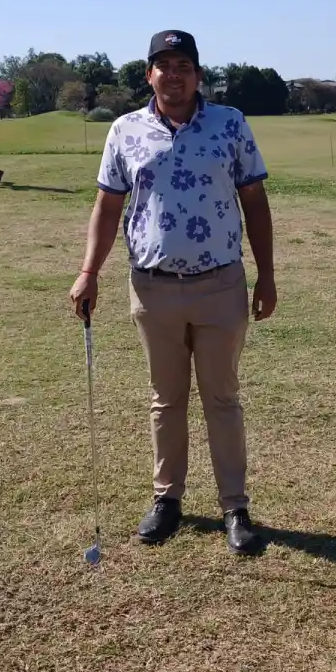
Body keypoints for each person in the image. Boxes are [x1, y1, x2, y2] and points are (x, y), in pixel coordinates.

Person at [68, 29, 277, 555]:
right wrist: (89, 271)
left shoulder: (229, 124)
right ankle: (168, 500)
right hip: (153, 287)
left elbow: (254, 201)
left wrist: (267, 274)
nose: (174, 73)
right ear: (149, 74)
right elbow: (108, 207)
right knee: (166, 399)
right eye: (164, 64)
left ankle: (235, 507)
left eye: (184, 64)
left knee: (222, 398)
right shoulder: (124, 130)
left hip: (220, 283)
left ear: (198, 74)